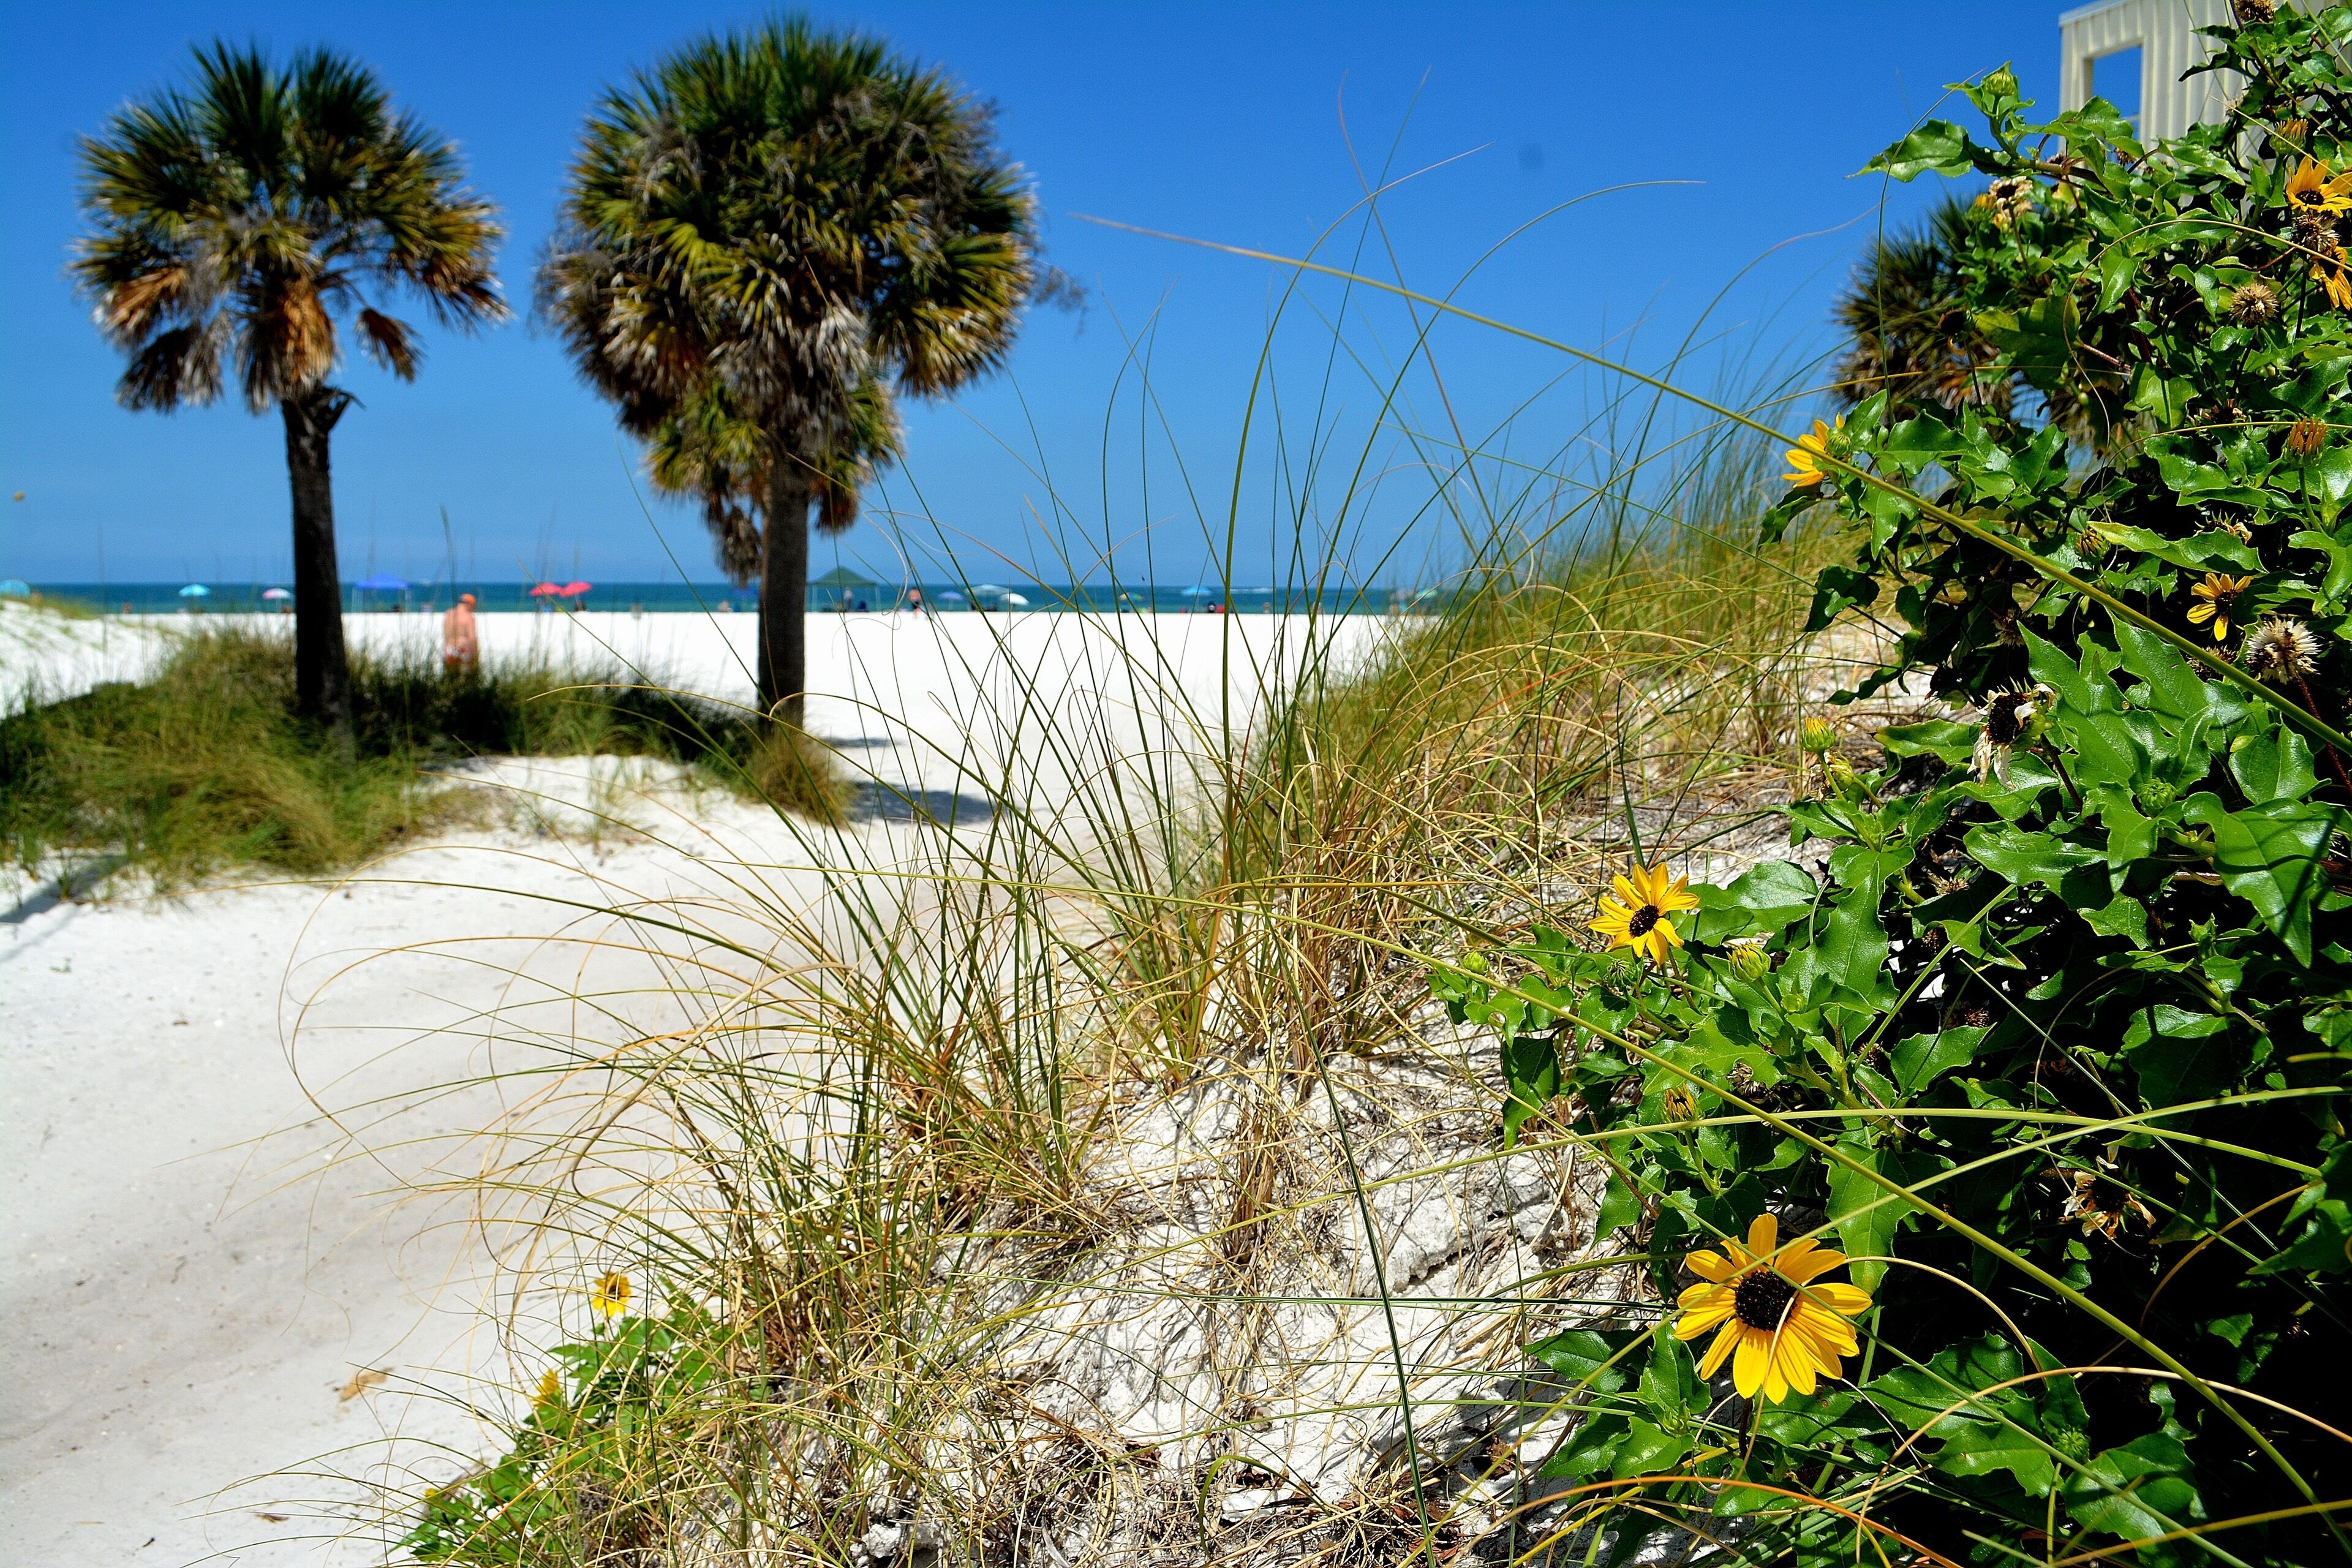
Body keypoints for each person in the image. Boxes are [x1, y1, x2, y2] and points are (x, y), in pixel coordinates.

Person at [442, 592, 479, 675]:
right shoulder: (468, 616)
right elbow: (471, 638)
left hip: (448, 650)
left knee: (451, 678)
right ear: (470, 604)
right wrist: (475, 655)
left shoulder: (449, 614)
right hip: (463, 650)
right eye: (473, 607)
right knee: (468, 679)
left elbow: (445, 635)